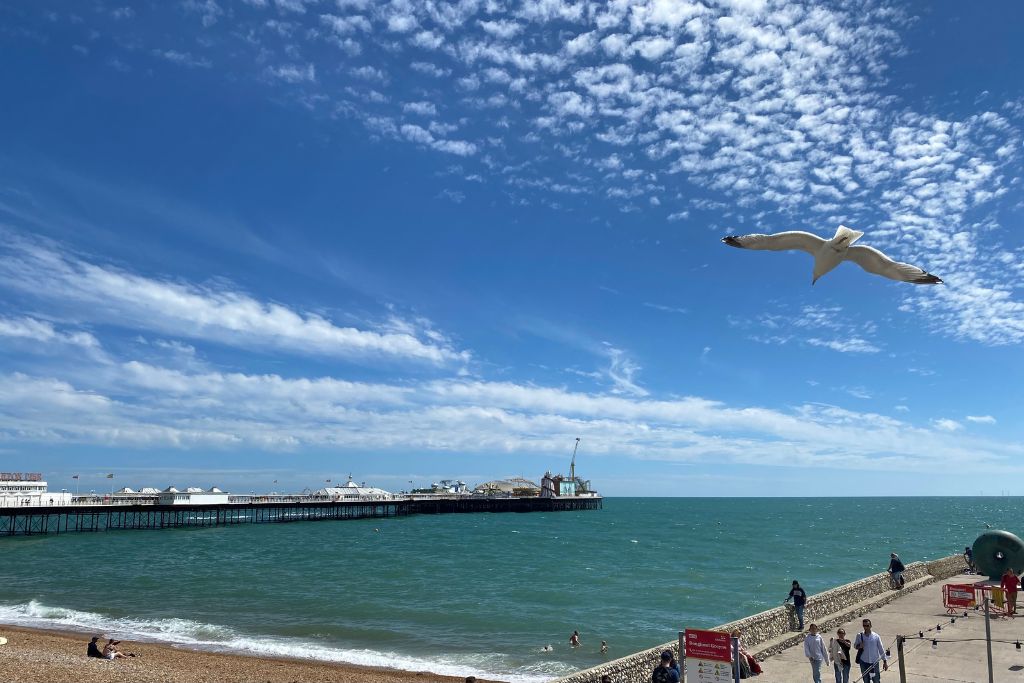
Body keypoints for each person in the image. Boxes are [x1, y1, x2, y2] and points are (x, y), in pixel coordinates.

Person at [853, 619, 888, 683]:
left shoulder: (876, 636)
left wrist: (885, 662)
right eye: (864, 625)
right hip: (863, 661)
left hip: (874, 662)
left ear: (870, 626)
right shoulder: (859, 635)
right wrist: (859, 646)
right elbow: (855, 646)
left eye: (867, 625)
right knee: (866, 680)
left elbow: (881, 649)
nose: (865, 627)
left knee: (876, 680)